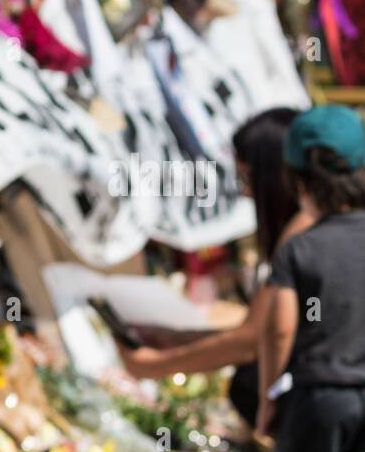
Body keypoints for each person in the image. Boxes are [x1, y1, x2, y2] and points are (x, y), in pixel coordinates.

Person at [244, 105, 365, 452]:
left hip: (316, 391)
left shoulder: (300, 247)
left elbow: (279, 330)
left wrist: (271, 394)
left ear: (296, 180)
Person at [119, 107, 315, 428]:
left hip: (330, 410)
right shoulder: (321, 222)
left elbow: (253, 341)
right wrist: (180, 338)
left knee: (249, 383)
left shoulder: (303, 229)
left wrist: (155, 366)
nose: (245, 191)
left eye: (248, 177)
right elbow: (263, 331)